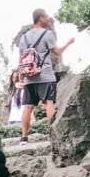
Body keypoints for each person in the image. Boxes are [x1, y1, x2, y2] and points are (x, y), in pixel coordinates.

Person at [17, 8, 75, 142]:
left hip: (29, 77)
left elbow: (20, 58)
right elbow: (57, 52)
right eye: (46, 16)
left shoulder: (24, 38)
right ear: (41, 18)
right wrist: (69, 43)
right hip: (45, 75)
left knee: (28, 106)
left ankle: (24, 137)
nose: (48, 18)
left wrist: (21, 76)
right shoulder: (47, 34)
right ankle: (53, 135)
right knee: (50, 103)